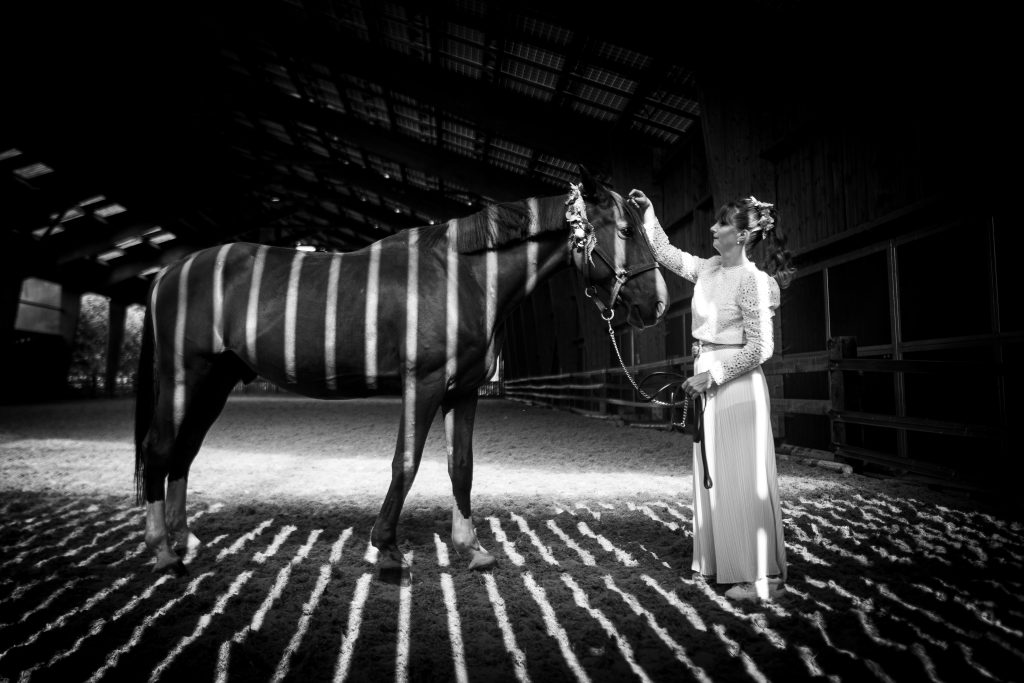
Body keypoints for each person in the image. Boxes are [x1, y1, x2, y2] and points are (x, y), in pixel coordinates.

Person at [628, 188, 795, 601]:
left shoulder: (753, 281)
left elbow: (761, 348)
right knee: (715, 477)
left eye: (721, 223)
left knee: (741, 478)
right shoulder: (709, 269)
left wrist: (713, 375)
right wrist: (649, 214)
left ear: (740, 235)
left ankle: (753, 578)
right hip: (710, 382)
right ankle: (731, 565)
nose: (712, 227)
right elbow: (666, 253)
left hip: (737, 388)